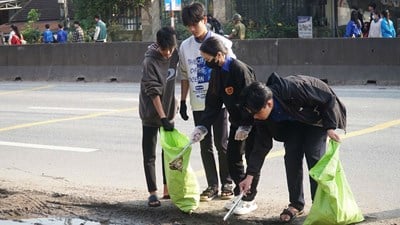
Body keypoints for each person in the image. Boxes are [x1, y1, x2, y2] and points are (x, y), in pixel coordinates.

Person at [238, 73, 346, 223]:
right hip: (294, 122)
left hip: (316, 117)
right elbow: (261, 146)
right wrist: (249, 176)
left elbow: (328, 99)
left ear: (269, 104)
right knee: (291, 158)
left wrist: (329, 127)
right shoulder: (261, 115)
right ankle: (296, 204)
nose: (255, 117)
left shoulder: (294, 89)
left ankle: (319, 204)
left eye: (257, 113)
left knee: (314, 158)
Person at [189, 36, 258, 215]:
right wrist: (202, 127)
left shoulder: (239, 70)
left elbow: (253, 99)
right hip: (236, 122)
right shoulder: (217, 72)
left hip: (251, 123)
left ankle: (250, 198)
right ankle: (240, 192)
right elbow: (213, 103)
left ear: (219, 55)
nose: (206, 63)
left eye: (207, 59)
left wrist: (247, 124)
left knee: (251, 159)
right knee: (233, 157)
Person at [179, 2, 234, 203]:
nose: (192, 29)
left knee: (222, 143)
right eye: (189, 26)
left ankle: (227, 182)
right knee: (205, 145)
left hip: (218, 104)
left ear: (204, 20)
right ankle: (212, 185)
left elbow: (232, 70)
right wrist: (183, 101)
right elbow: (184, 75)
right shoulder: (185, 46)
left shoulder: (221, 42)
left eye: (195, 24)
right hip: (198, 104)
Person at [139, 26, 179, 207]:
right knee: (150, 153)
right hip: (150, 112)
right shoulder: (150, 61)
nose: (168, 53)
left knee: (168, 153)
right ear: (158, 45)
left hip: (169, 111)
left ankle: (166, 189)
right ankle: (152, 193)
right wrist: (162, 117)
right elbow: (153, 92)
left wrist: (179, 103)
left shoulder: (174, 52)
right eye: (165, 50)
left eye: (171, 49)